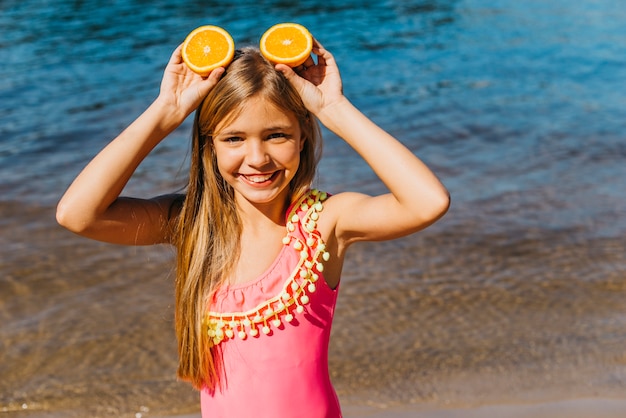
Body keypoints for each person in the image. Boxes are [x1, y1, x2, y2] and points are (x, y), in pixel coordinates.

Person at [56, 35, 450, 417]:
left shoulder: (323, 223)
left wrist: (333, 109)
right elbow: (77, 214)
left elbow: (427, 202)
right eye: (234, 139)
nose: (257, 157)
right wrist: (166, 112)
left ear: (302, 138)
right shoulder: (192, 224)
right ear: (210, 147)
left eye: (276, 135)